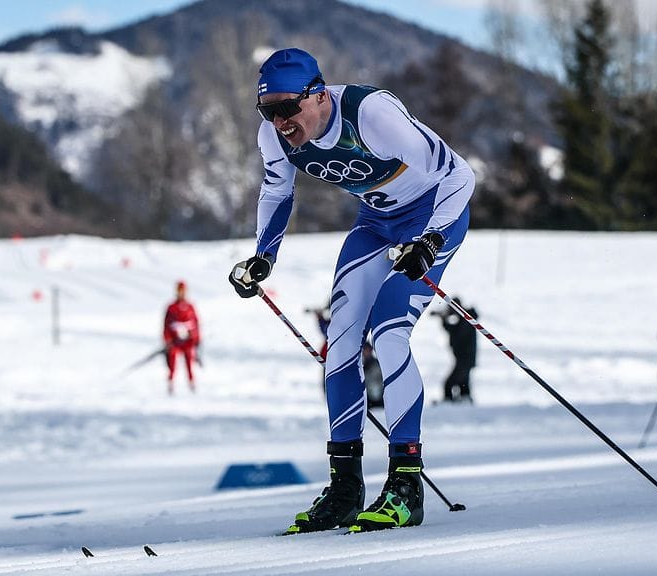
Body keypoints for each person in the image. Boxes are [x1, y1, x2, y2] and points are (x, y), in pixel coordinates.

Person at [228, 48, 474, 534]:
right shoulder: (276, 137)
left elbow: (460, 176)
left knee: (388, 332)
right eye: (267, 111)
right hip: (376, 223)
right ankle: (345, 488)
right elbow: (278, 192)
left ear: (318, 95)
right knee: (339, 343)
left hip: (432, 218)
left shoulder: (372, 115)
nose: (279, 122)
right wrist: (263, 257)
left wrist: (430, 241)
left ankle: (406, 485)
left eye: (286, 109)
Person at [434, 297, 477, 403]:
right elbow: (453, 330)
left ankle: (449, 404)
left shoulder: (467, 320)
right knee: (463, 385)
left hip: (465, 360)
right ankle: (464, 404)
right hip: (463, 360)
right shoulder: (464, 320)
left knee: (449, 384)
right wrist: (444, 319)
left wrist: (445, 318)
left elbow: (457, 334)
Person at [163, 280, 200, 394]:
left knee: (189, 361)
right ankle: (171, 383)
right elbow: (166, 325)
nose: (181, 293)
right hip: (175, 342)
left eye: (183, 290)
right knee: (172, 362)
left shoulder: (190, 307)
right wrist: (168, 340)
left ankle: (191, 383)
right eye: (179, 290)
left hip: (187, 342)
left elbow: (196, 323)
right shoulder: (171, 307)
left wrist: (196, 339)